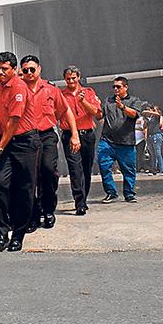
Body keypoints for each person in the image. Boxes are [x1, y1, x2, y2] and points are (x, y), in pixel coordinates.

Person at [19, 55, 77, 233]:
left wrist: (74, 134)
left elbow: (66, 111)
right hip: (26, 138)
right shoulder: (18, 90)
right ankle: (33, 215)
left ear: (39, 69)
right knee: (30, 177)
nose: (29, 73)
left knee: (48, 171)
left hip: (46, 136)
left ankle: (49, 210)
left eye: (32, 69)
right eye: (25, 70)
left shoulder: (51, 90)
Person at [0, 51, 38, 252]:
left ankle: (18, 235)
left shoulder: (18, 87)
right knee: (1, 185)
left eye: (4, 69)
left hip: (24, 142)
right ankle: (1, 233)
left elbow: (13, 121)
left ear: (14, 70)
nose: (0, 72)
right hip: (6, 142)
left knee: (24, 190)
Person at [98, 76, 149, 203]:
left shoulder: (134, 100)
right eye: (114, 87)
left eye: (118, 87)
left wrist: (122, 107)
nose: (115, 89)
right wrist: (91, 104)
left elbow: (134, 114)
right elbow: (99, 115)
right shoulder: (108, 101)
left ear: (126, 87)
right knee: (104, 166)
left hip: (126, 141)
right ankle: (111, 192)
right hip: (107, 141)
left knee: (128, 169)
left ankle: (129, 193)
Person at [59, 65, 102, 216]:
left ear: (78, 77)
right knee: (75, 168)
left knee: (86, 168)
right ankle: (80, 202)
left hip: (88, 134)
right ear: (64, 79)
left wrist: (83, 102)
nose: (71, 81)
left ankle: (84, 196)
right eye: (68, 78)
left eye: (74, 78)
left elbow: (98, 114)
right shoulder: (61, 95)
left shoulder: (89, 92)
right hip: (69, 135)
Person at [145, 106, 163, 175]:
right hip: (150, 136)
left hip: (156, 135)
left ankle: (161, 170)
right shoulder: (150, 119)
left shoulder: (157, 117)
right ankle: (153, 170)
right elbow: (146, 127)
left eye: (154, 110)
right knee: (152, 154)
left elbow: (158, 115)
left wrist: (150, 111)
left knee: (158, 153)